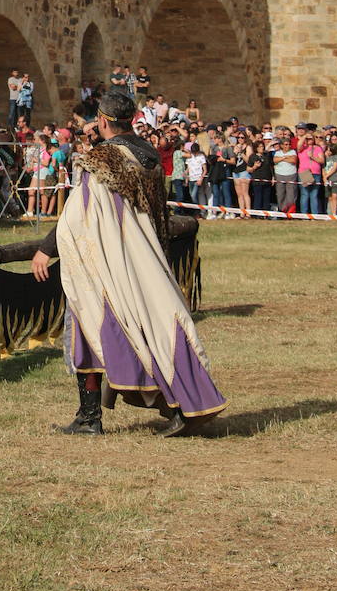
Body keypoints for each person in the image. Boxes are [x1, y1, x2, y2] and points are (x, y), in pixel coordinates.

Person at [31, 90, 226, 438]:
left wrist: (47, 249)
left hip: (108, 260)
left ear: (102, 120)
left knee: (90, 326)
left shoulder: (103, 160)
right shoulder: (149, 154)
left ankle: (91, 417)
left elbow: (78, 215)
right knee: (156, 325)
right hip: (145, 255)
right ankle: (176, 403)